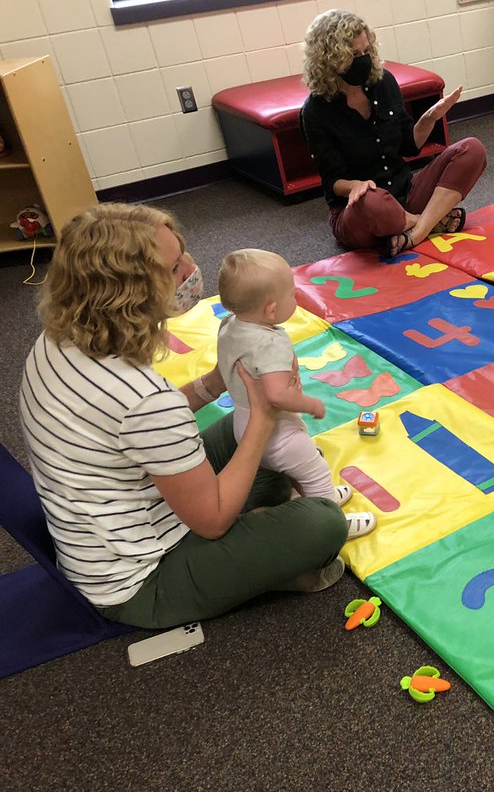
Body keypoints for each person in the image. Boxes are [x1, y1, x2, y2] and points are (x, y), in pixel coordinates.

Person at [18, 204, 351, 630]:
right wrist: (264, 417)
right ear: (132, 293)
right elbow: (210, 521)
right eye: (176, 268)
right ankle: (268, 558)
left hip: (116, 520)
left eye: (185, 254)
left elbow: (134, 428)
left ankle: (261, 535)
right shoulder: (144, 397)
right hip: (139, 583)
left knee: (251, 441)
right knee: (321, 523)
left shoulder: (61, 337)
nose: (194, 269)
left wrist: (215, 382)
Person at [216, 249, 376, 539]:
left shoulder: (229, 325)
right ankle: (333, 522)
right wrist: (309, 404)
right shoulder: (269, 342)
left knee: (301, 472)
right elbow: (276, 394)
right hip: (278, 433)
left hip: (244, 423)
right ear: (271, 311)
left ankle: (307, 500)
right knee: (315, 471)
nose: (297, 298)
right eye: (291, 294)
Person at [300, 9, 488, 256]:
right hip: (361, 210)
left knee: (472, 149)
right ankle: (430, 221)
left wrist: (429, 118)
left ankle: (416, 231)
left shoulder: (383, 82)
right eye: (353, 55)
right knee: (372, 200)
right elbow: (332, 182)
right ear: (330, 61)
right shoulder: (316, 110)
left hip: (405, 192)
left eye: (366, 51)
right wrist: (356, 186)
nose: (363, 59)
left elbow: (409, 146)